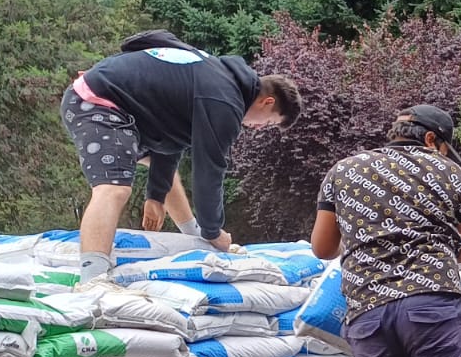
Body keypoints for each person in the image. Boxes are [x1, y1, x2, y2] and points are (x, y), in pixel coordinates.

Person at [310, 103, 461, 357]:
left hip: (369, 310)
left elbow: (322, 247)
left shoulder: (343, 170)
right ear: (432, 139)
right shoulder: (450, 172)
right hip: (432, 304)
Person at [63, 30, 302, 282]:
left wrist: (155, 196)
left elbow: (170, 143)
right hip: (97, 103)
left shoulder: (217, 77)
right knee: (114, 188)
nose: (258, 127)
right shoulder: (225, 101)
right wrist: (214, 231)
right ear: (267, 102)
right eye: (269, 123)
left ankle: (194, 237)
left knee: (164, 171)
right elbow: (209, 172)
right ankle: (93, 279)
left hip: (123, 110)